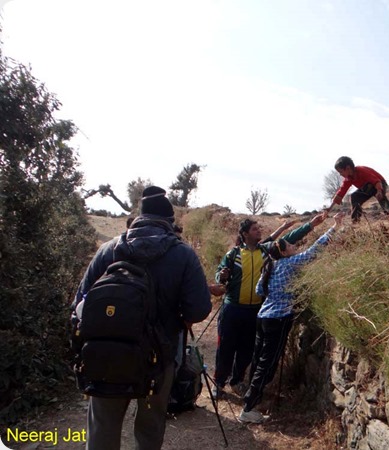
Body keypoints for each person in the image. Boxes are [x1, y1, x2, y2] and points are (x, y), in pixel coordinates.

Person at [72, 186, 214, 450]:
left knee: (103, 426)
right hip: (158, 359)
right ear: (170, 221)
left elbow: (80, 303)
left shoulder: (108, 250)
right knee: (150, 426)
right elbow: (199, 309)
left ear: (139, 216)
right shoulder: (183, 254)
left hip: (105, 358)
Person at [239, 211, 344, 424]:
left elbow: (260, 290)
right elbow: (314, 251)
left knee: (259, 358)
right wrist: (335, 227)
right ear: (285, 252)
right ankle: (248, 408)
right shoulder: (289, 264)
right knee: (266, 364)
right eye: (291, 246)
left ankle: (250, 398)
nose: (295, 247)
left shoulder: (270, 266)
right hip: (278, 320)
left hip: (263, 317)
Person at [213, 215, 325, 398]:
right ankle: (219, 383)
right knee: (226, 347)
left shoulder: (265, 251)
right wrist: (222, 276)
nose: (259, 231)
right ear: (245, 234)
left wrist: (311, 225)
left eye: (259, 228)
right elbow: (220, 275)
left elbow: (289, 239)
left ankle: (237, 381)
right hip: (232, 309)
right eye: (255, 229)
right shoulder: (233, 254)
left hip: (255, 311)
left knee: (246, 349)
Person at [325, 156, 389, 222]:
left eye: (341, 172)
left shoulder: (362, 171)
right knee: (354, 197)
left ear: (348, 168)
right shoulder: (348, 179)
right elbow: (341, 193)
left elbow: (376, 181)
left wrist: (379, 191)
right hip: (366, 188)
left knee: (380, 196)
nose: (340, 174)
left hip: (379, 184)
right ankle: (355, 221)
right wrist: (329, 208)